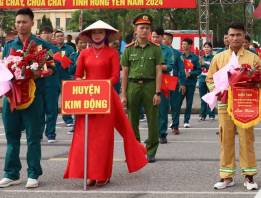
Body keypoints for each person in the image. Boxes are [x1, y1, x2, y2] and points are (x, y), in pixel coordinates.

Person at [64, 21, 148, 187]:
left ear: (107, 35)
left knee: (103, 139)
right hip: (87, 99)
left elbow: (115, 76)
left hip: (105, 98)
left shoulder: (112, 53)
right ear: (89, 36)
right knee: (85, 138)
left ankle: (102, 174)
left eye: (101, 32)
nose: (97, 35)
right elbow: (78, 75)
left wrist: (101, 87)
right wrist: (82, 83)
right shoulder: (84, 54)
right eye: (94, 32)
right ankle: (89, 173)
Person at [0, 8, 56, 189]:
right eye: (18, 22)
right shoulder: (8, 44)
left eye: (24, 22)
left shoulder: (42, 45)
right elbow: (3, 66)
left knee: (33, 136)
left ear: (32, 23)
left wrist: (35, 74)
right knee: (12, 135)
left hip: (33, 96)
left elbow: (52, 69)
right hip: (11, 96)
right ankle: (11, 173)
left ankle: (33, 173)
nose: (20, 25)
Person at [207, 21, 261, 190]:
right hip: (225, 105)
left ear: (244, 36)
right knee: (225, 140)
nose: (235, 38)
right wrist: (217, 91)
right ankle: (226, 176)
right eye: (231, 35)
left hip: (245, 106)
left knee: (247, 140)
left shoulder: (253, 58)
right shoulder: (219, 58)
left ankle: (249, 176)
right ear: (227, 37)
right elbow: (209, 80)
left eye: (238, 34)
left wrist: (252, 86)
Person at [121, 15, 165, 163]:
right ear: (135, 30)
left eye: (147, 28)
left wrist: (157, 92)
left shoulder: (155, 49)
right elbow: (125, 73)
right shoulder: (128, 49)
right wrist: (124, 95)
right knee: (132, 120)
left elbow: (159, 71)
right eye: (142, 28)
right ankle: (136, 149)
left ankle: (151, 150)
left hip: (150, 85)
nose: (144, 31)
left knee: (153, 120)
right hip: (133, 86)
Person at [152, 28, 184, 142]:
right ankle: (153, 134)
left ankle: (162, 133)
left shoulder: (168, 50)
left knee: (163, 108)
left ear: (162, 38)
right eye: (153, 36)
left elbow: (170, 66)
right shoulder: (147, 48)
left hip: (164, 81)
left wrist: (156, 67)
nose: (155, 39)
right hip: (149, 81)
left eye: (158, 37)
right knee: (151, 109)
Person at [36, 25, 63, 143]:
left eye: (49, 33)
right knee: (39, 109)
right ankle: (39, 132)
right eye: (44, 33)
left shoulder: (56, 49)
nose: (46, 35)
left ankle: (51, 133)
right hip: (39, 81)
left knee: (52, 109)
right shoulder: (36, 48)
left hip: (52, 81)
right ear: (40, 35)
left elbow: (60, 65)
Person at [53, 30, 78, 128]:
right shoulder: (52, 48)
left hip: (66, 76)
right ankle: (52, 119)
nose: (60, 37)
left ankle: (68, 119)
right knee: (53, 100)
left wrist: (63, 60)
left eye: (61, 36)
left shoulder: (69, 48)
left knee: (66, 99)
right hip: (54, 77)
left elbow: (71, 60)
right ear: (55, 38)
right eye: (58, 36)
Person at [179, 38, 202, 128]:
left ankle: (186, 121)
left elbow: (199, 70)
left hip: (191, 83)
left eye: (185, 44)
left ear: (190, 45)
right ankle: (175, 121)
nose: (183, 46)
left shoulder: (195, 57)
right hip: (181, 83)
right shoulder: (180, 56)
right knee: (178, 102)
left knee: (189, 102)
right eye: (182, 44)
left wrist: (191, 73)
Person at [198, 42, 215, 121]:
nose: (206, 49)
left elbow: (213, 69)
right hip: (202, 80)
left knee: (212, 98)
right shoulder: (201, 58)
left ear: (211, 48)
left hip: (211, 80)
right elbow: (198, 69)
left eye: (208, 47)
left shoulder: (214, 58)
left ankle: (212, 115)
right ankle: (202, 115)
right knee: (203, 98)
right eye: (205, 47)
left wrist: (204, 64)